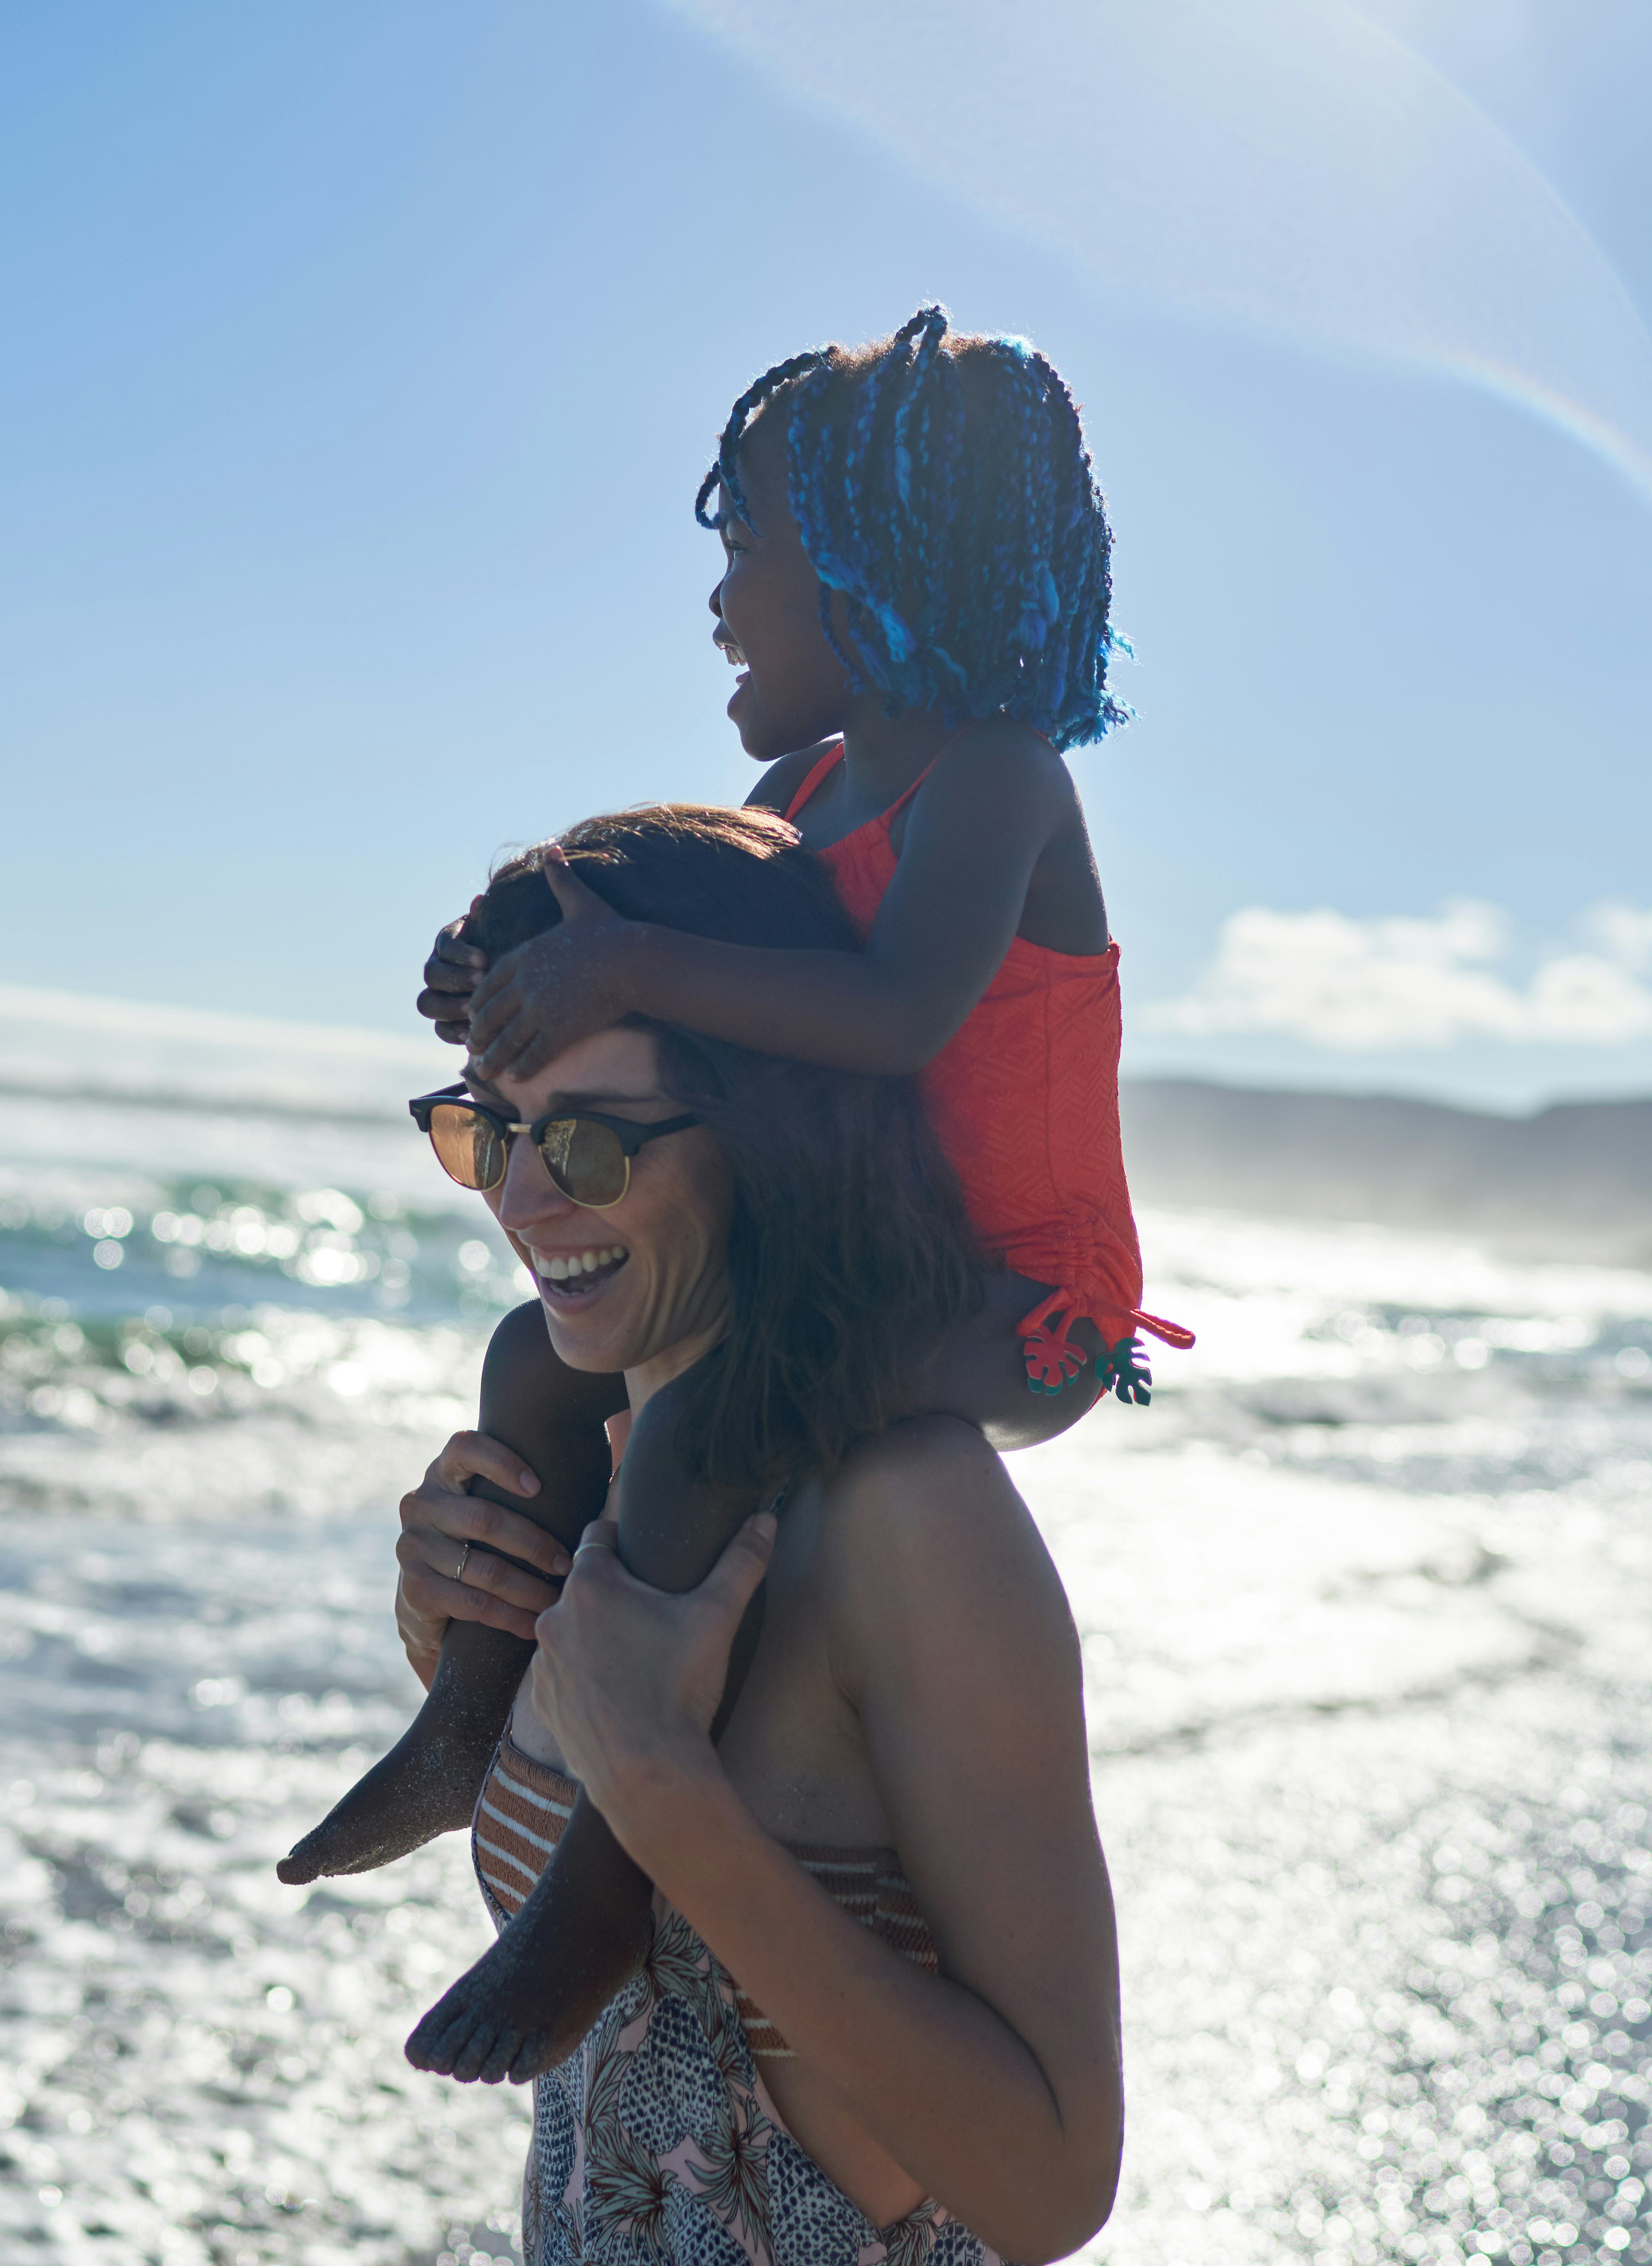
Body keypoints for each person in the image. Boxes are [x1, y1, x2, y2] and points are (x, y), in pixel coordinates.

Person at [280, 305, 1189, 2073]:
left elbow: (891, 1008)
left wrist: (634, 977)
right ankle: (472, 1715)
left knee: (706, 1434)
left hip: (1019, 1296)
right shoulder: (803, 788)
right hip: (863, 1255)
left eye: (749, 545)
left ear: (878, 565)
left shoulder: (1000, 783)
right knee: (531, 1364)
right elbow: (678, 931)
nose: (719, 597)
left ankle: (607, 1886)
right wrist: (517, 970)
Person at [382, 846, 1123, 2264]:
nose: (524, 1204)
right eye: (493, 1130)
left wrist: (671, 1802)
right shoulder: (601, 1453)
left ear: (769, 1137)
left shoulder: (915, 1518)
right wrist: (452, 1631)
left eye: (591, 1142)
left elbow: (1052, 2190)